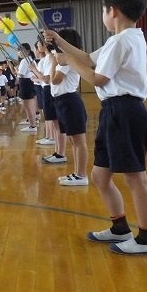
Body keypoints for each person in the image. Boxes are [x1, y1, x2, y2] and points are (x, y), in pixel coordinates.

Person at [44, 0, 147, 255]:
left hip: (126, 112)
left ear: (113, 11)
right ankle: (120, 227)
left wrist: (68, 62)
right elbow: (88, 58)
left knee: (135, 179)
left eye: (103, 10)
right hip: (113, 112)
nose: (103, 15)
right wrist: (60, 42)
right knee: (99, 176)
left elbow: (97, 77)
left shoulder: (124, 40)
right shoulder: (118, 40)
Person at [48, 29, 88, 185]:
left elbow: (55, 80)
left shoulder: (67, 59)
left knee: (78, 141)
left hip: (69, 101)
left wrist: (52, 63)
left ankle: (81, 175)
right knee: (73, 140)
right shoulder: (63, 59)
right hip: (62, 102)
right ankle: (77, 173)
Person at [16, 43, 38, 133]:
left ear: (28, 51)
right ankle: (31, 121)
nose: (19, 52)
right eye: (18, 50)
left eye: (21, 50)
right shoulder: (29, 59)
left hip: (26, 83)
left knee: (28, 106)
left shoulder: (25, 60)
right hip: (29, 82)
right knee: (30, 105)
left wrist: (16, 70)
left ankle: (32, 126)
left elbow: (21, 74)